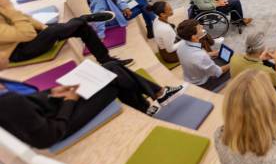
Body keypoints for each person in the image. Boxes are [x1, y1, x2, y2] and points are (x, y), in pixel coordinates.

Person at [0, 54, 184, 148]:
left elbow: (30, 100)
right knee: (115, 82)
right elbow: (48, 136)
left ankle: (155, 98)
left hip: (51, 106)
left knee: (111, 67)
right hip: (59, 123)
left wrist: (52, 92)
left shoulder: (3, 83)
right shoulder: (7, 102)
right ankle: (154, 99)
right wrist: (69, 101)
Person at [0, 0, 131, 66]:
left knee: (81, 27)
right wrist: (10, 10)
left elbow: (26, 19)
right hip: (18, 51)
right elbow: (27, 34)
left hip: (30, 38)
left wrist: (45, 29)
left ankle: (106, 60)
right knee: (55, 30)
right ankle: (83, 18)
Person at [229, 32, 276, 98]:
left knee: (265, 62)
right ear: (261, 51)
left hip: (240, 89)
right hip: (254, 97)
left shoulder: (235, 57)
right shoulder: (265, 71)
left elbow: (250, 63)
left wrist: (260, 58)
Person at [150, 1, 222, 63]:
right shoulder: (164, 29)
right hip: (171, 55)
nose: (172, 9)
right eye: (170, 9)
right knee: (199, 37)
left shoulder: (157, 18)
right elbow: (170, 49)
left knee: (197, 31)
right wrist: (187, 39)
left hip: (173, 42)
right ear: (162, 14)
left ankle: (212, 43)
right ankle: (211, 55)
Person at [176, 19, 230, 91]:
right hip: (202, 83)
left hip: (189, 77)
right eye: (199, 28)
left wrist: (213, 54)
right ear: (194, 37)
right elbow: (218, 72)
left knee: (217, 59)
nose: (202, 26)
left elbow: (195, 57)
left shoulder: (181, 44)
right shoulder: (201, 56)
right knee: (231, 70)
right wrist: (231, 64)